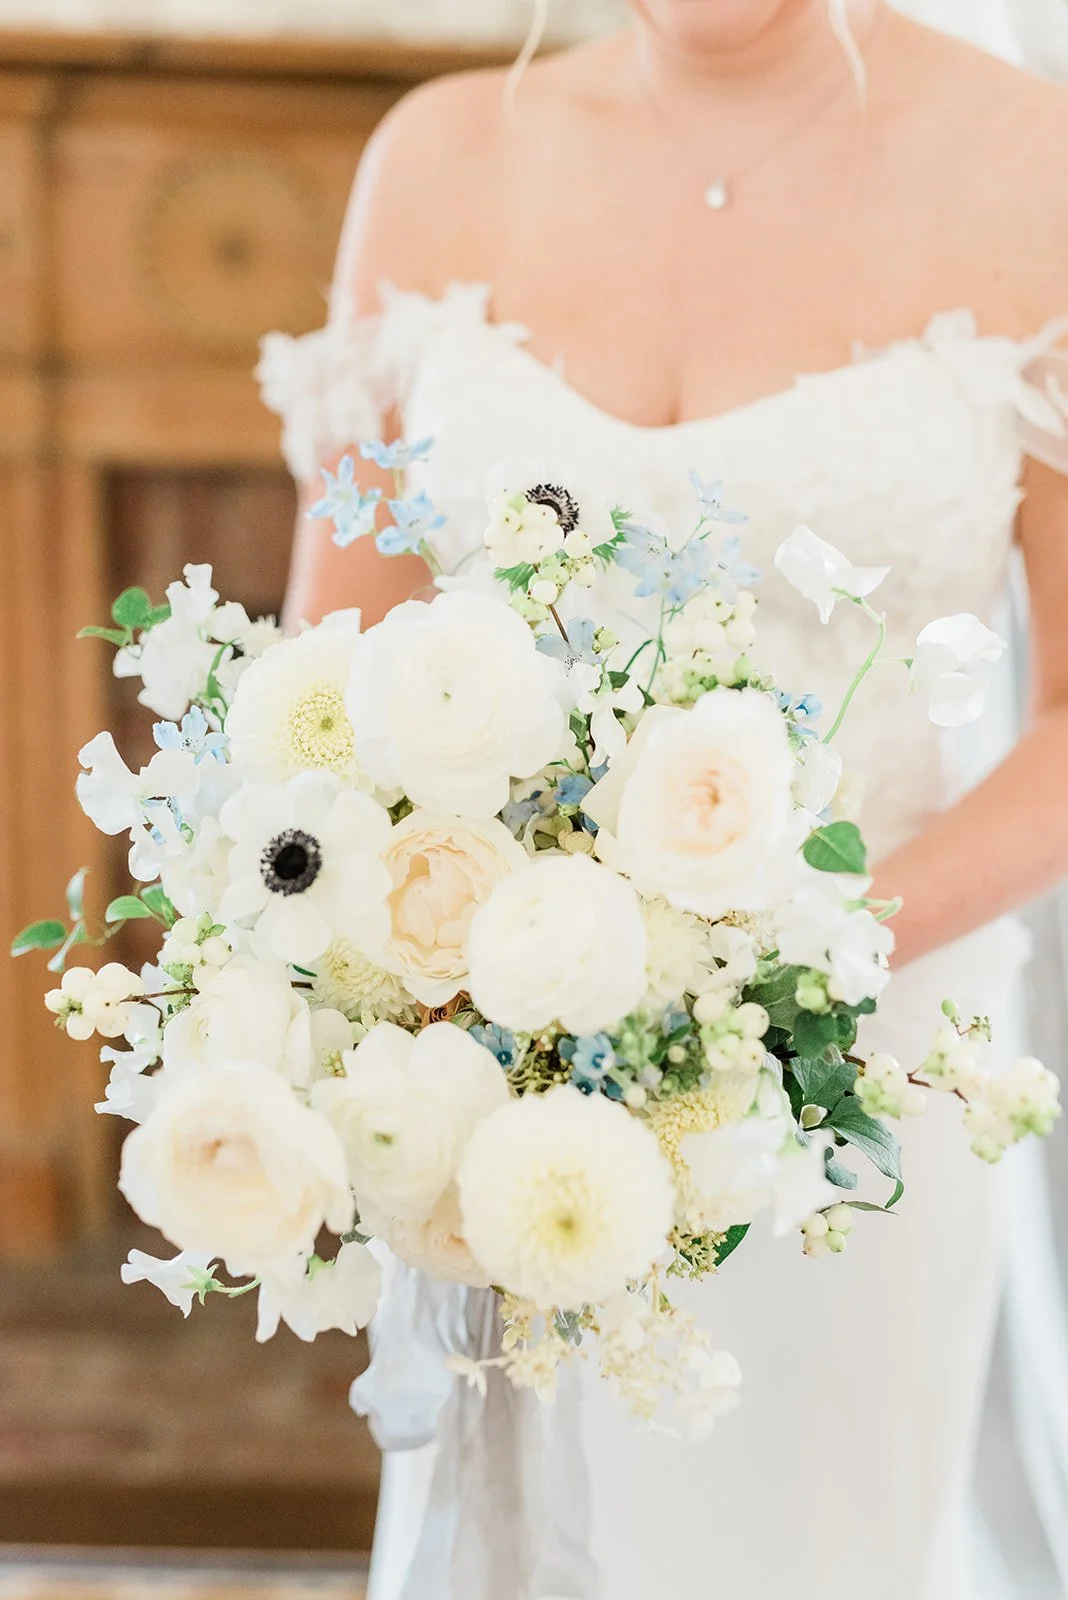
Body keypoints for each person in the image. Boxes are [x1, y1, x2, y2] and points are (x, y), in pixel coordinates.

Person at [258, 2, 1068, 1594]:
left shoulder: (1035, 166)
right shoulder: (434, 159)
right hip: (494, 1057)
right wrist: (422, 988)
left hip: (870, 1067)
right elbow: (326, 683)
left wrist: (775, 970)